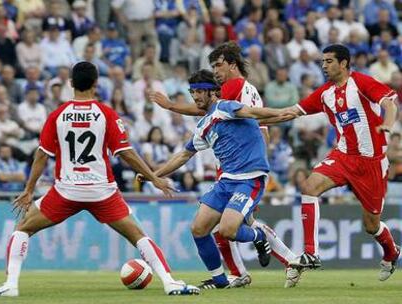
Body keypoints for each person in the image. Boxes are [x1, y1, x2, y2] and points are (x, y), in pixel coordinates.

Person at [0, 62, 199, 297]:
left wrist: (29, 189)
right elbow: (126, 153)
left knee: (22, 229)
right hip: (102, 192)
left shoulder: (57, 115)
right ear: (96, 83)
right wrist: (153, 178)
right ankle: (170, 283)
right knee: (139, 236)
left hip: (66, 191)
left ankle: (11, 285)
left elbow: (41, 155)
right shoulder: (106, 114)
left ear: (70, 84)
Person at [150, 41, 302, 288]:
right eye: (193, 92)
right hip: (235, 169)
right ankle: (235, 275)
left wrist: (170, 105)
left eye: (218, 66)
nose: (196, 96)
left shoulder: (230, 94)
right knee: (206, 227)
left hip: (247, 170)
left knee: (229, 229)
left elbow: (240, 112)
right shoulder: (239, 96)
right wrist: (152, 174)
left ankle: (254, 252)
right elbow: (185, 153)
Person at [278, 44, 400, 281]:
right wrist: (253, 115)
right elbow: (290, 112)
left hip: (371, 163)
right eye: (323, 62)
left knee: (371, 225)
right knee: (309, 187)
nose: (324, 66)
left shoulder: (362, 83)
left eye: (329, 61)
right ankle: (311, 253)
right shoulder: (325, 93)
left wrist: (388, 123)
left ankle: (392, 252)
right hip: (343, 156)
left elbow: (389, 104)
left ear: (344, 63)